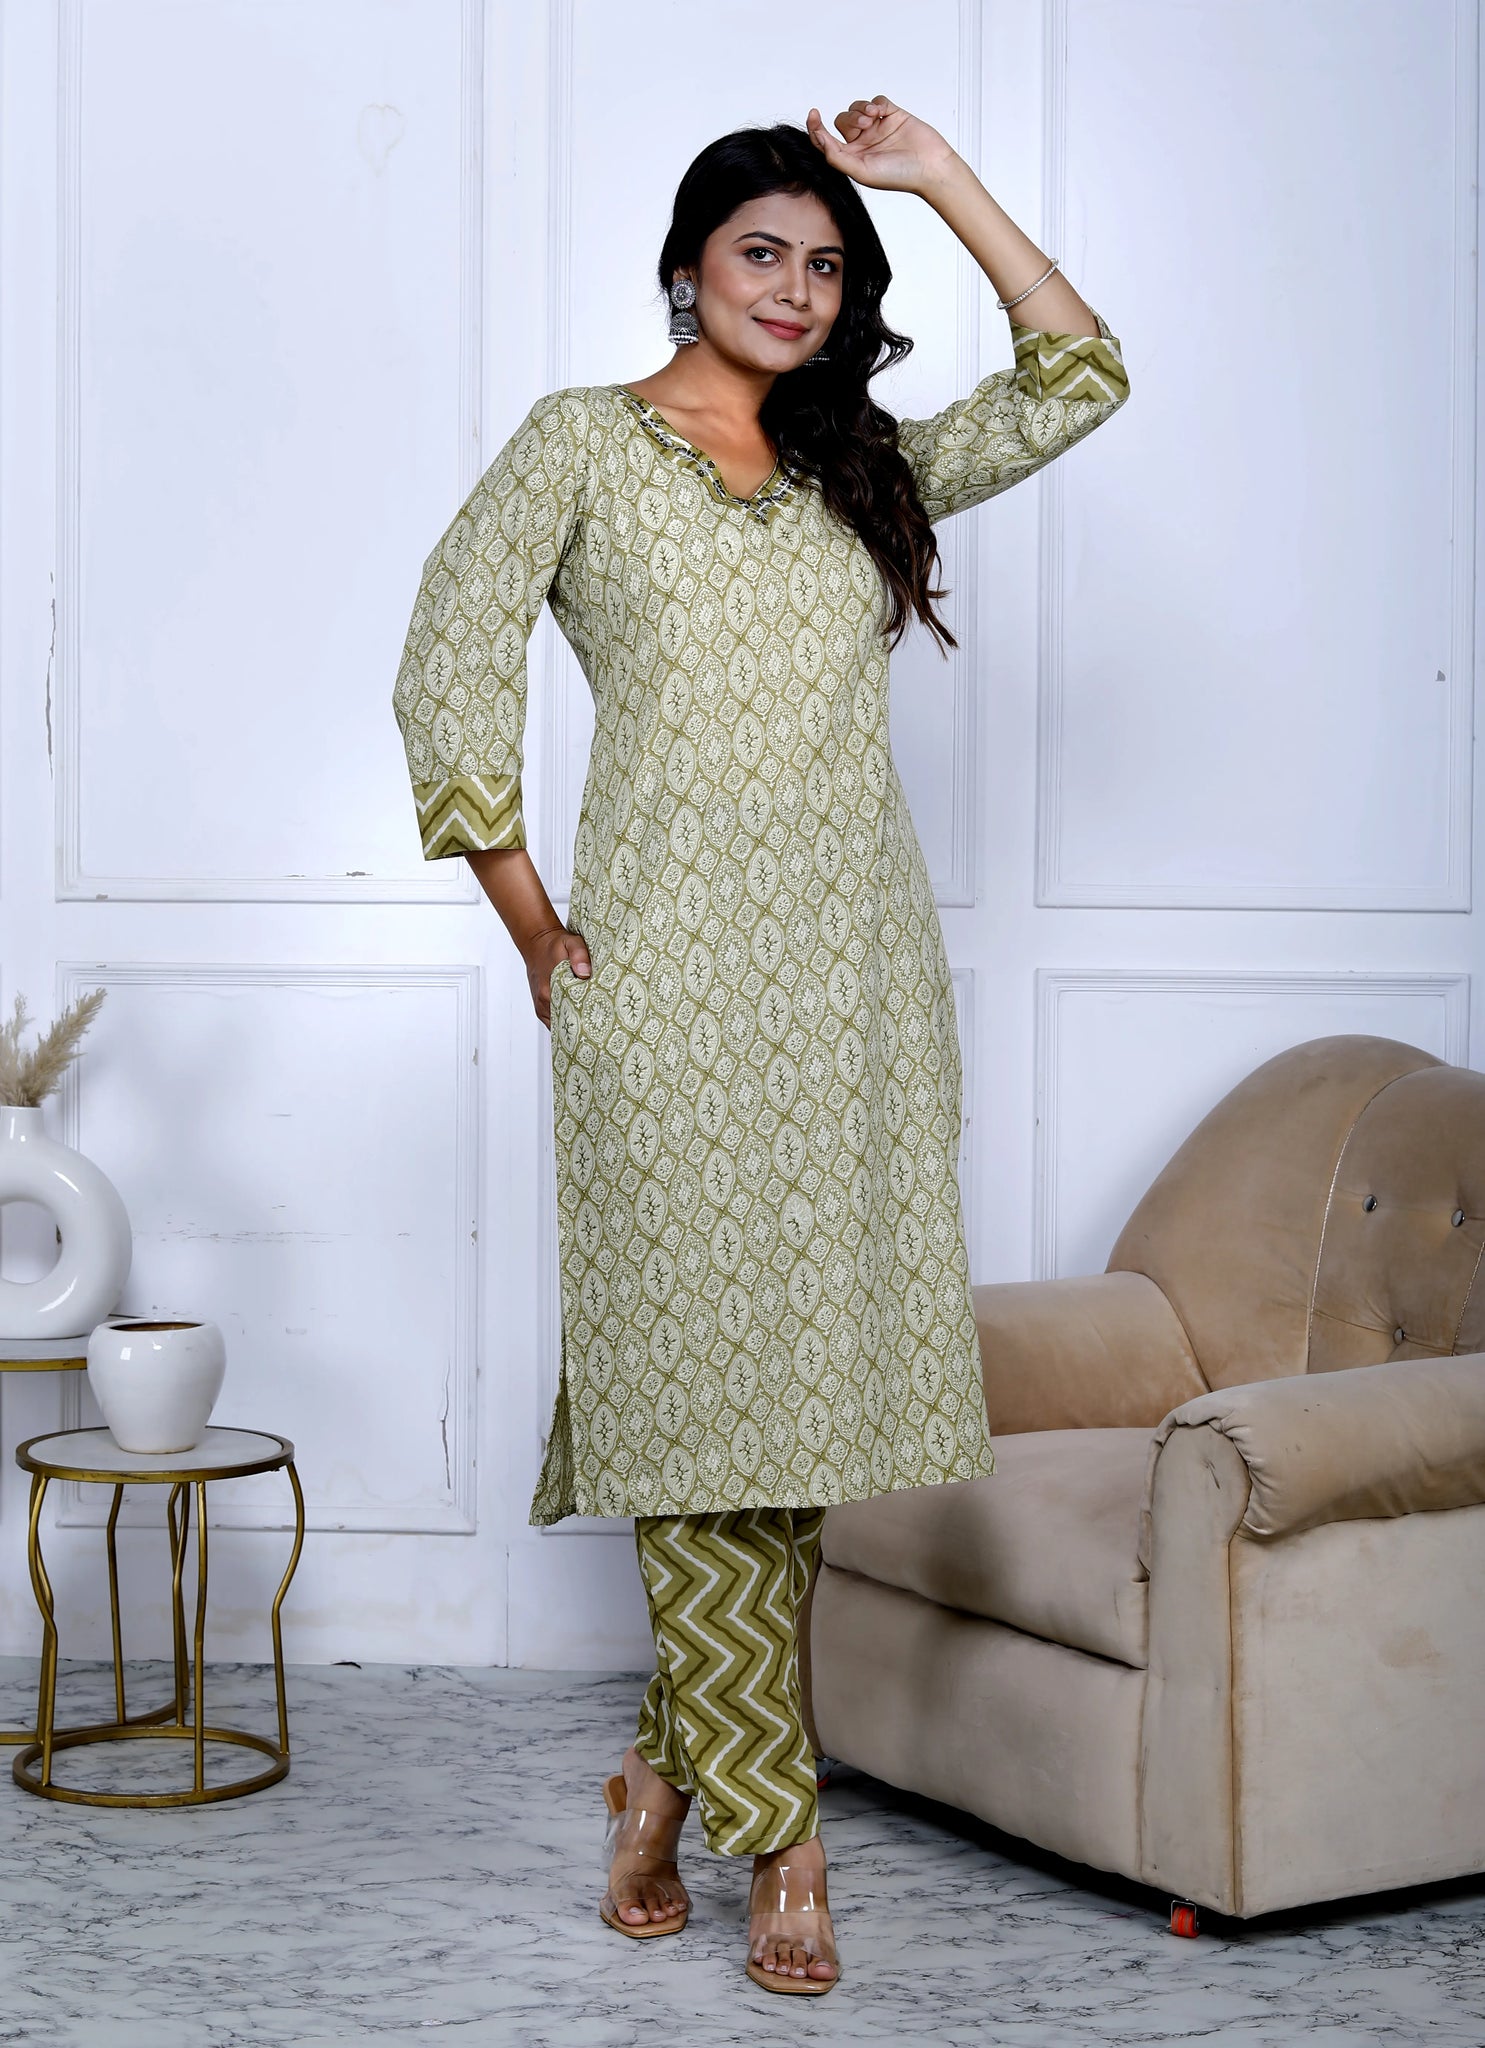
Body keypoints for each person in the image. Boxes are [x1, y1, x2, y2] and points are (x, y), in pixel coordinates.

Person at [392, 92, 1130, 1998]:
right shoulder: (580, 443)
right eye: (759, 255)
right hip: (662, 1000)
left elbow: (1079, 379)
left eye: (822, 265)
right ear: (684, 268)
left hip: (854, 997)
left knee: (785, 1415)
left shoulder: (855, 467)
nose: (794, 289)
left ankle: (655, 1780)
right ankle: (781, 1839)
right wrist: (535, 926)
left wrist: (938, 180)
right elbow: (447, 662)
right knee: (692, 1402)